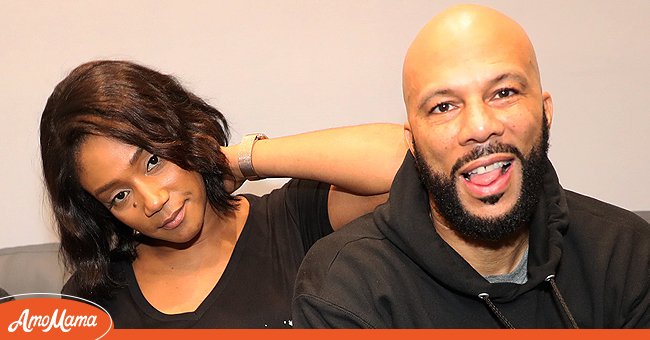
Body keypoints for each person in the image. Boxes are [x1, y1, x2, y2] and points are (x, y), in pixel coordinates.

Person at [292, 4, 650, 328]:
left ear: (545, 111)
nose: (479, 127)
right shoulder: (346, 288)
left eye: (504, 92)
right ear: (412, 142)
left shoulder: (627, 256)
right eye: (443, 106)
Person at [39, 60, 406, 328]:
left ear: (181, 129)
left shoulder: (292, 219)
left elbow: (409, 161)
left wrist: (235, 162)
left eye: (152, 161)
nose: (152, 202)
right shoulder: (93, 299)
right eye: (119, 195)